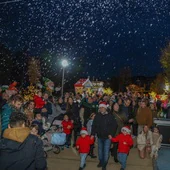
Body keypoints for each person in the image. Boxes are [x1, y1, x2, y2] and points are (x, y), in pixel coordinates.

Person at [91, 101, 118, 170]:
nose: (101, 109)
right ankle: (101, 161)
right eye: (100, 107)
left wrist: (111, 134)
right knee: (100, 151)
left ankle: (104, 164)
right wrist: (92, 134)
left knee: (106, 151)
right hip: (100, 136)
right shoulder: (97, 116)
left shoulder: (110, 116)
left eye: (103, 107)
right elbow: (94, 126)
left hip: (107, 137)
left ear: (105, 108)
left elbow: (114, 125)